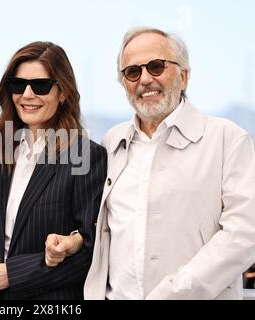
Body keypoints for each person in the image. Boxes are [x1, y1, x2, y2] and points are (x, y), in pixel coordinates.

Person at [44, 27, 255, 300]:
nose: (145, 79)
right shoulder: (111, 142)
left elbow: (243, 236)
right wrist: (73, 241)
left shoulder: (228, 139)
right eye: (132, 72)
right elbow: (100, 223)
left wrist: (174, 293)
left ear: (184, 76)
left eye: (156, 67)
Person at [0, 41, 107, 299]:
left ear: (64, 92)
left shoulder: (86, 156)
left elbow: (90, 253)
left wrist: (12, 274)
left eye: (41, 85)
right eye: (17, 85)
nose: (27, 95)